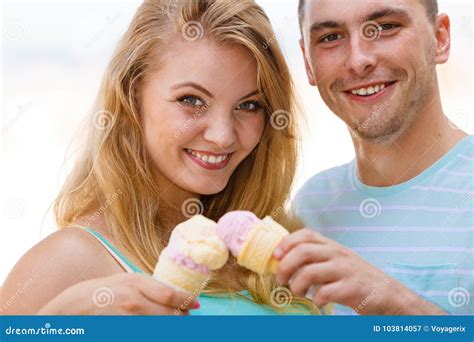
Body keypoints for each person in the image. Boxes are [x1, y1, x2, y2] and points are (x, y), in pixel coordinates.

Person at [1, 0, 319, 315]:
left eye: (249, 105)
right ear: (131, 96)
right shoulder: (70, 261)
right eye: (191, 100)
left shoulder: (286, 239)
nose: (223, 136)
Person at [273, 0, 473, 315]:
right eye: (330, 37)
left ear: (440, 38)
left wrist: (396, 303)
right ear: (308, 64)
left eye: (386, 27)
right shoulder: (310, 208)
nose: (358, 60)